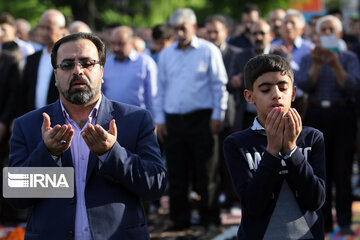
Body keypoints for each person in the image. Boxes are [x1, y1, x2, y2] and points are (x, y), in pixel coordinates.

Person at [6, 32, 167, 240]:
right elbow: (16, 197)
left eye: (87, 63)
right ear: (55, 76)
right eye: (67, 65)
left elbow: (155, 187)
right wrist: (49, 154)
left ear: (101, 71)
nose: (77, 71)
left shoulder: (135, 120)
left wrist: (111, 154)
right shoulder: (29, 125)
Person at [223, 54, 326, 239]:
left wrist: (292, 151)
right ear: (249, 96)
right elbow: (253, 205)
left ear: (293, 93)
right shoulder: (236, 144)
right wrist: (272, 151)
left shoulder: (312, 138)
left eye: (283, 88)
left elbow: (316, 199)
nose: (276, 94)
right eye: (265, 89)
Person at [155, 8, 228, 230]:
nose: (178, 33)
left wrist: (218, 114)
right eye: (175, 29)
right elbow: (161, 88)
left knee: (207, 171)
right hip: (174, 120)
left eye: (183, 28)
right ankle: (179, 219)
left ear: (194, 27)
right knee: (177, 171)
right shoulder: (166, 54)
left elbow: (219, 85)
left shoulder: (208, 51)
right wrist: (160, 119)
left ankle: (209, 218)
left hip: (202, 119)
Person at [297, 15, 360, 235]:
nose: (326, 34)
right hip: (315, 113)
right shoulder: (308, 58)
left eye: (330, 29)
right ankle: (322, 222)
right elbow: (303, 85)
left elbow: (352, 87)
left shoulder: (349, 57)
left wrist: (335, 65)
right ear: (316, 34)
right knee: (318, 170)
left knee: (342, 168)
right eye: (322, 29)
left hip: (342, 113)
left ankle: (344, 219)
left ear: (339, 34)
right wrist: (316, 64)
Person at [103, 26, 157, 116]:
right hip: (110, 119)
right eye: (113, 43)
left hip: (139, 118)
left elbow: (152, 95)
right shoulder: (106, 64)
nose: (115, 48)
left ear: (132, 43)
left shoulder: (145, 63)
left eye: (121, 44)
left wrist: (154, 119)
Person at [21, 9, 66, 114]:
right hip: (33, 119)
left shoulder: (68, 59)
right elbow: (24, 91)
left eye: (49, 28)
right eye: (42, 27)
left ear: (62, 29)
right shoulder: (33, 58)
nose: (44, 32)